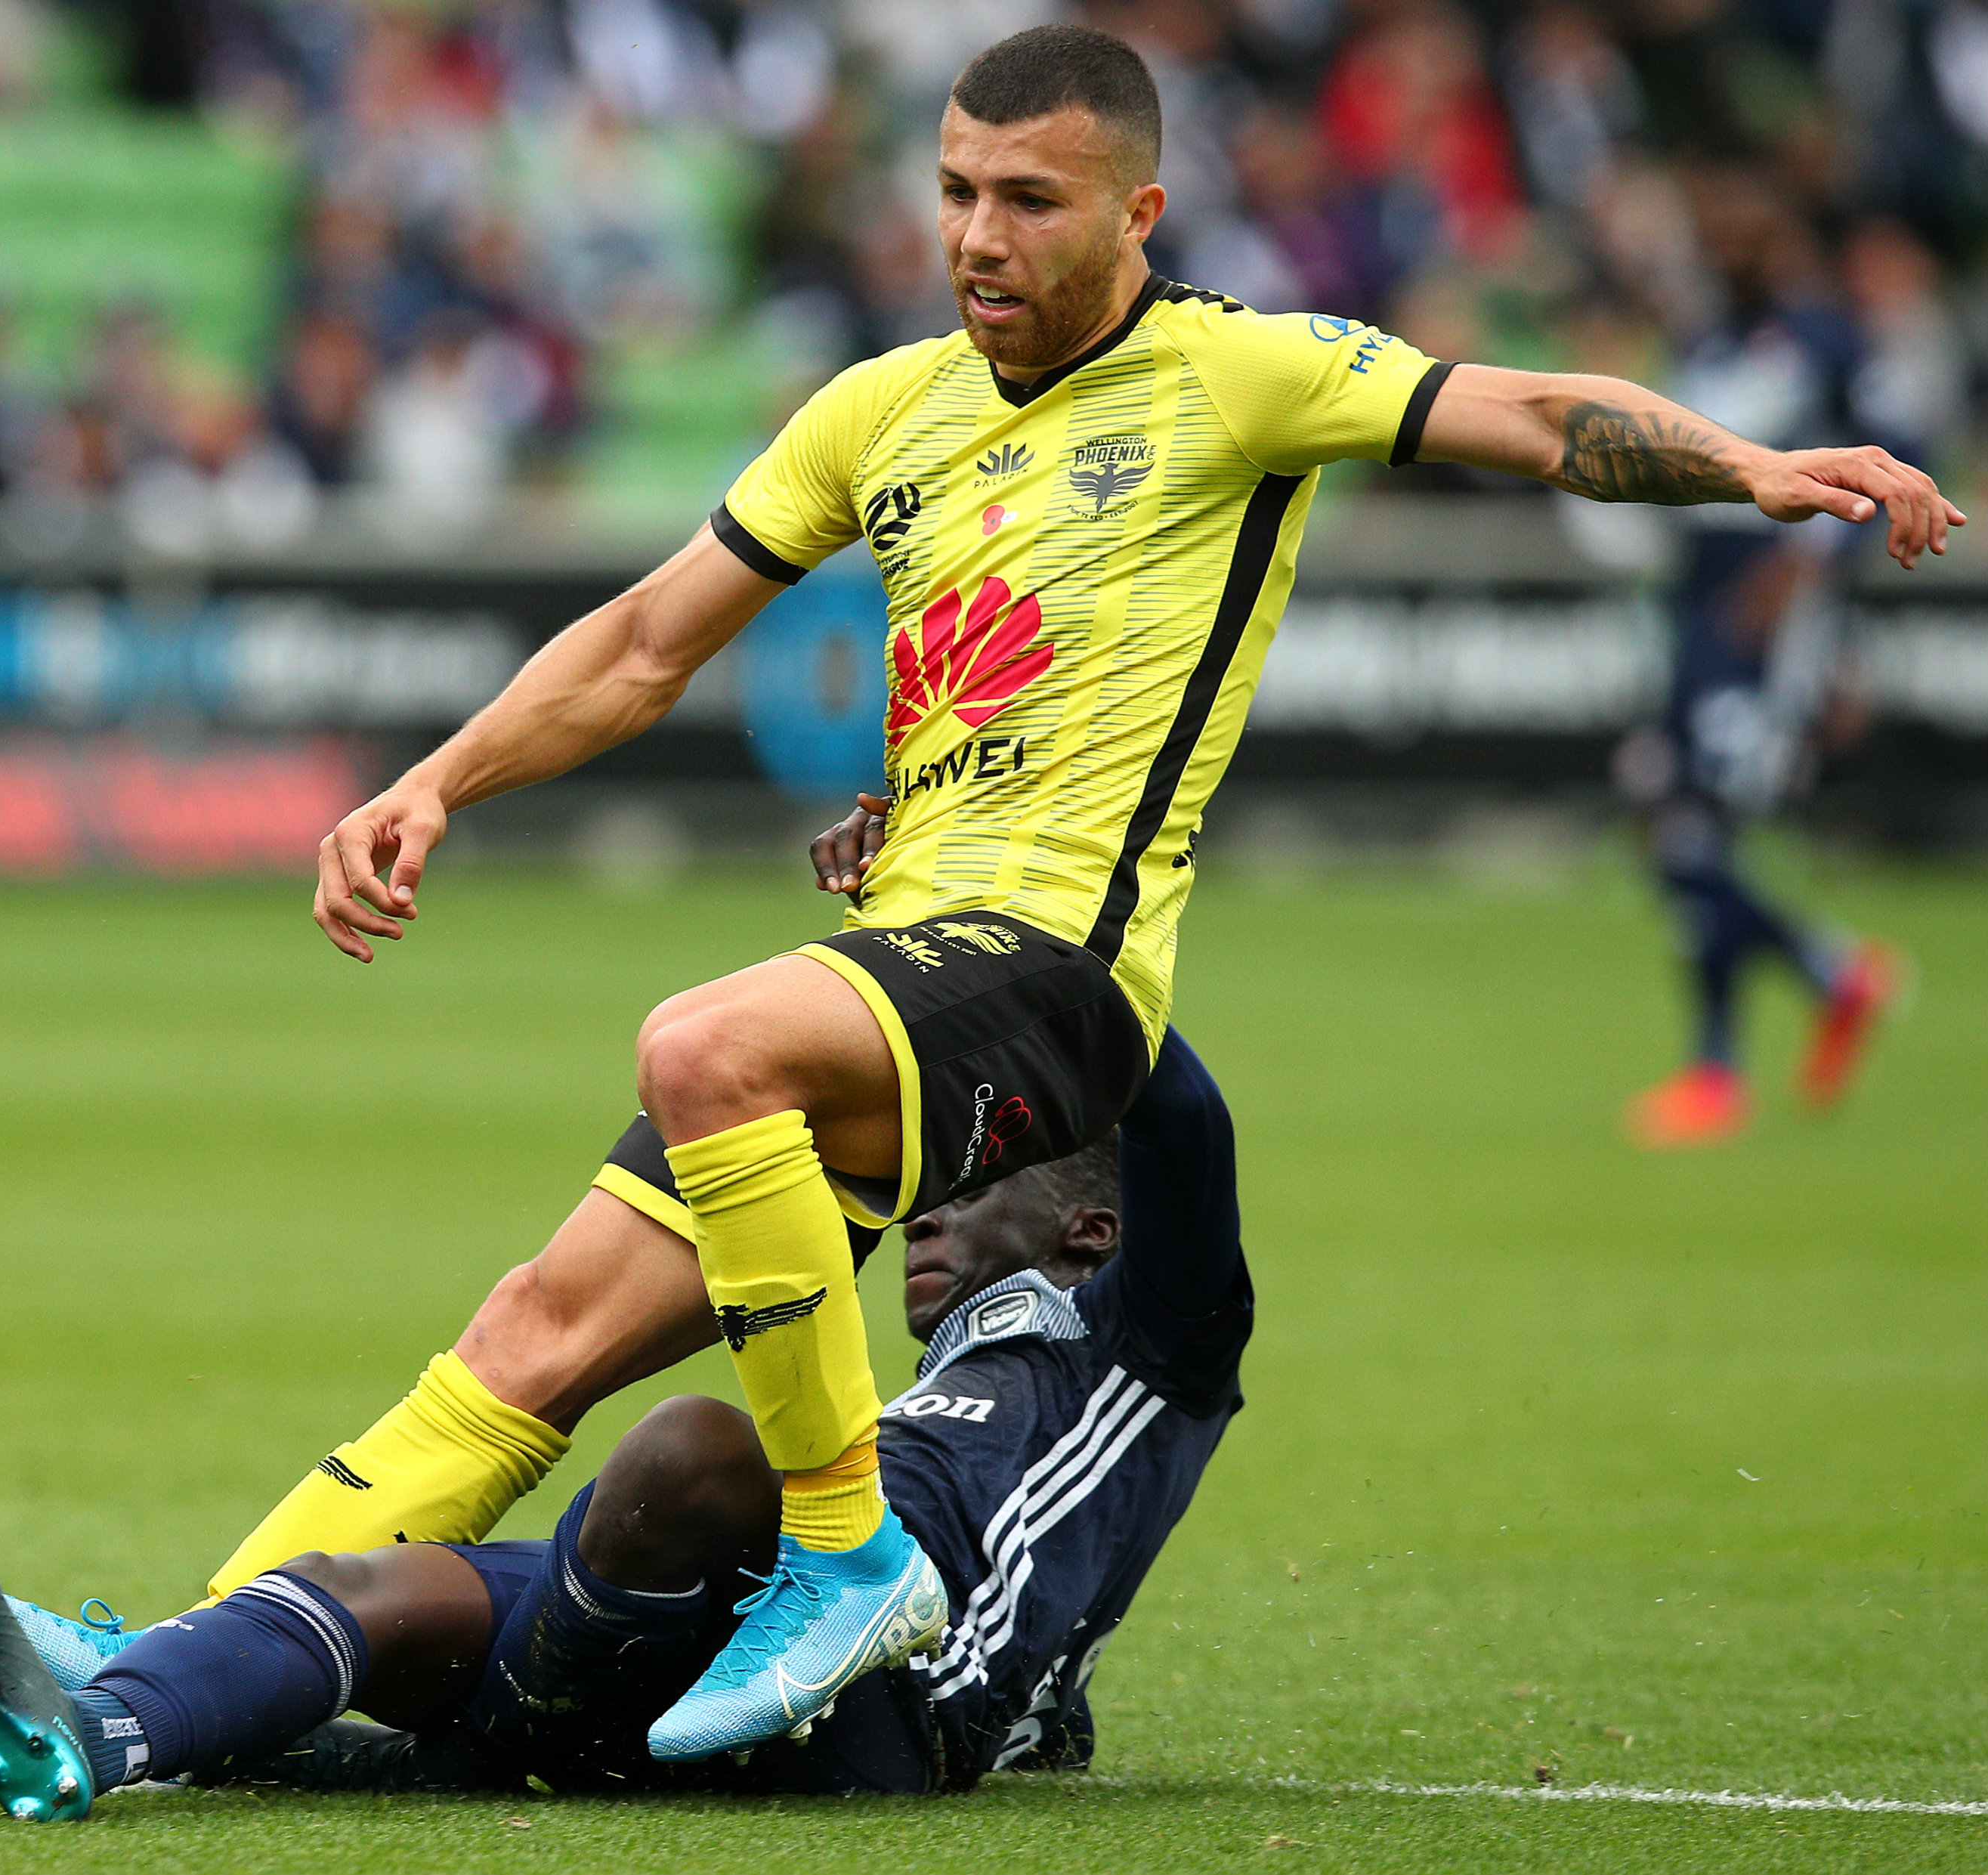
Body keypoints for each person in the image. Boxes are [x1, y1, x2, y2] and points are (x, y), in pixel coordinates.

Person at [275, 21, 1959, 1762]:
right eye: (950, 192)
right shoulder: (881, 407)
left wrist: (1751, 470)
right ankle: (180, 1660)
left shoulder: (1239, 373)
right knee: (533, 1325)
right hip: (902, 961)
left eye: (1026, 199)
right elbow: (640, 643)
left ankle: (845, 1553)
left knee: (705, 1046)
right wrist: (430, 779)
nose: (976, 236)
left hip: (1055, 975)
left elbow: (1524, 409)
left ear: (1138, 208)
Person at [0, 1027, 1248, 1817]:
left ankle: (473, 1744)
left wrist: (1053, 954)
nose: (923, 1210)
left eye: (976, 1178)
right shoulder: (944, 1366)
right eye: (928, 1188)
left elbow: (1187, 1119)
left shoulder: (1151, 1333)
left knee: (685, 1447)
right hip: (747, 1612)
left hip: (885, 1697)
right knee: (369, 1583)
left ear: (1091, 1226)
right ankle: (95, 1732)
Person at [1615, 169, 1912, 1149]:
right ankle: (1823, 981)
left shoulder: (1825, 343)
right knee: (1674, 831)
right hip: (1694, 618)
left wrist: (1814, 586)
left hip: (1763, 629)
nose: (1730, 249)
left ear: (1782, 241)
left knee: (1690, 833)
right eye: (1718, 233)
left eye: (1749, 230)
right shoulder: (1701, 346)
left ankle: (1720, 1065)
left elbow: (1896, 458)